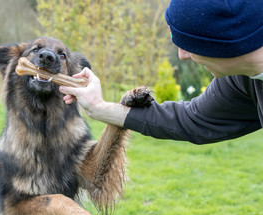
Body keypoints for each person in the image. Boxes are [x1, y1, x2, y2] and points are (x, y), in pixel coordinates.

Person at [59, 0, 263, 145]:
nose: (182, 55)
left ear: (227, 46)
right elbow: (193, 119)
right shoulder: (243, 78)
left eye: (189, 45)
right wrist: (99, 107)